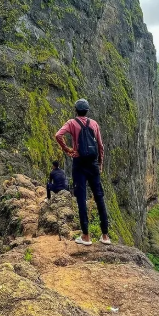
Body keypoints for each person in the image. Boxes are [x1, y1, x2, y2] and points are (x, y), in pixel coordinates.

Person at [55, 98, 110, 246]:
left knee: (81, 199)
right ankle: (105, 235)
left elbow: (58, 135)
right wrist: (100, 165)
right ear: (87, 111)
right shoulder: (94, 124)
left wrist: (68, 150)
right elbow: (100, 146)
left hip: (79, 164)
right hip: (93, 164)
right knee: (99, 198)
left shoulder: (72, 123)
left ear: (76, 110)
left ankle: (86, 236)